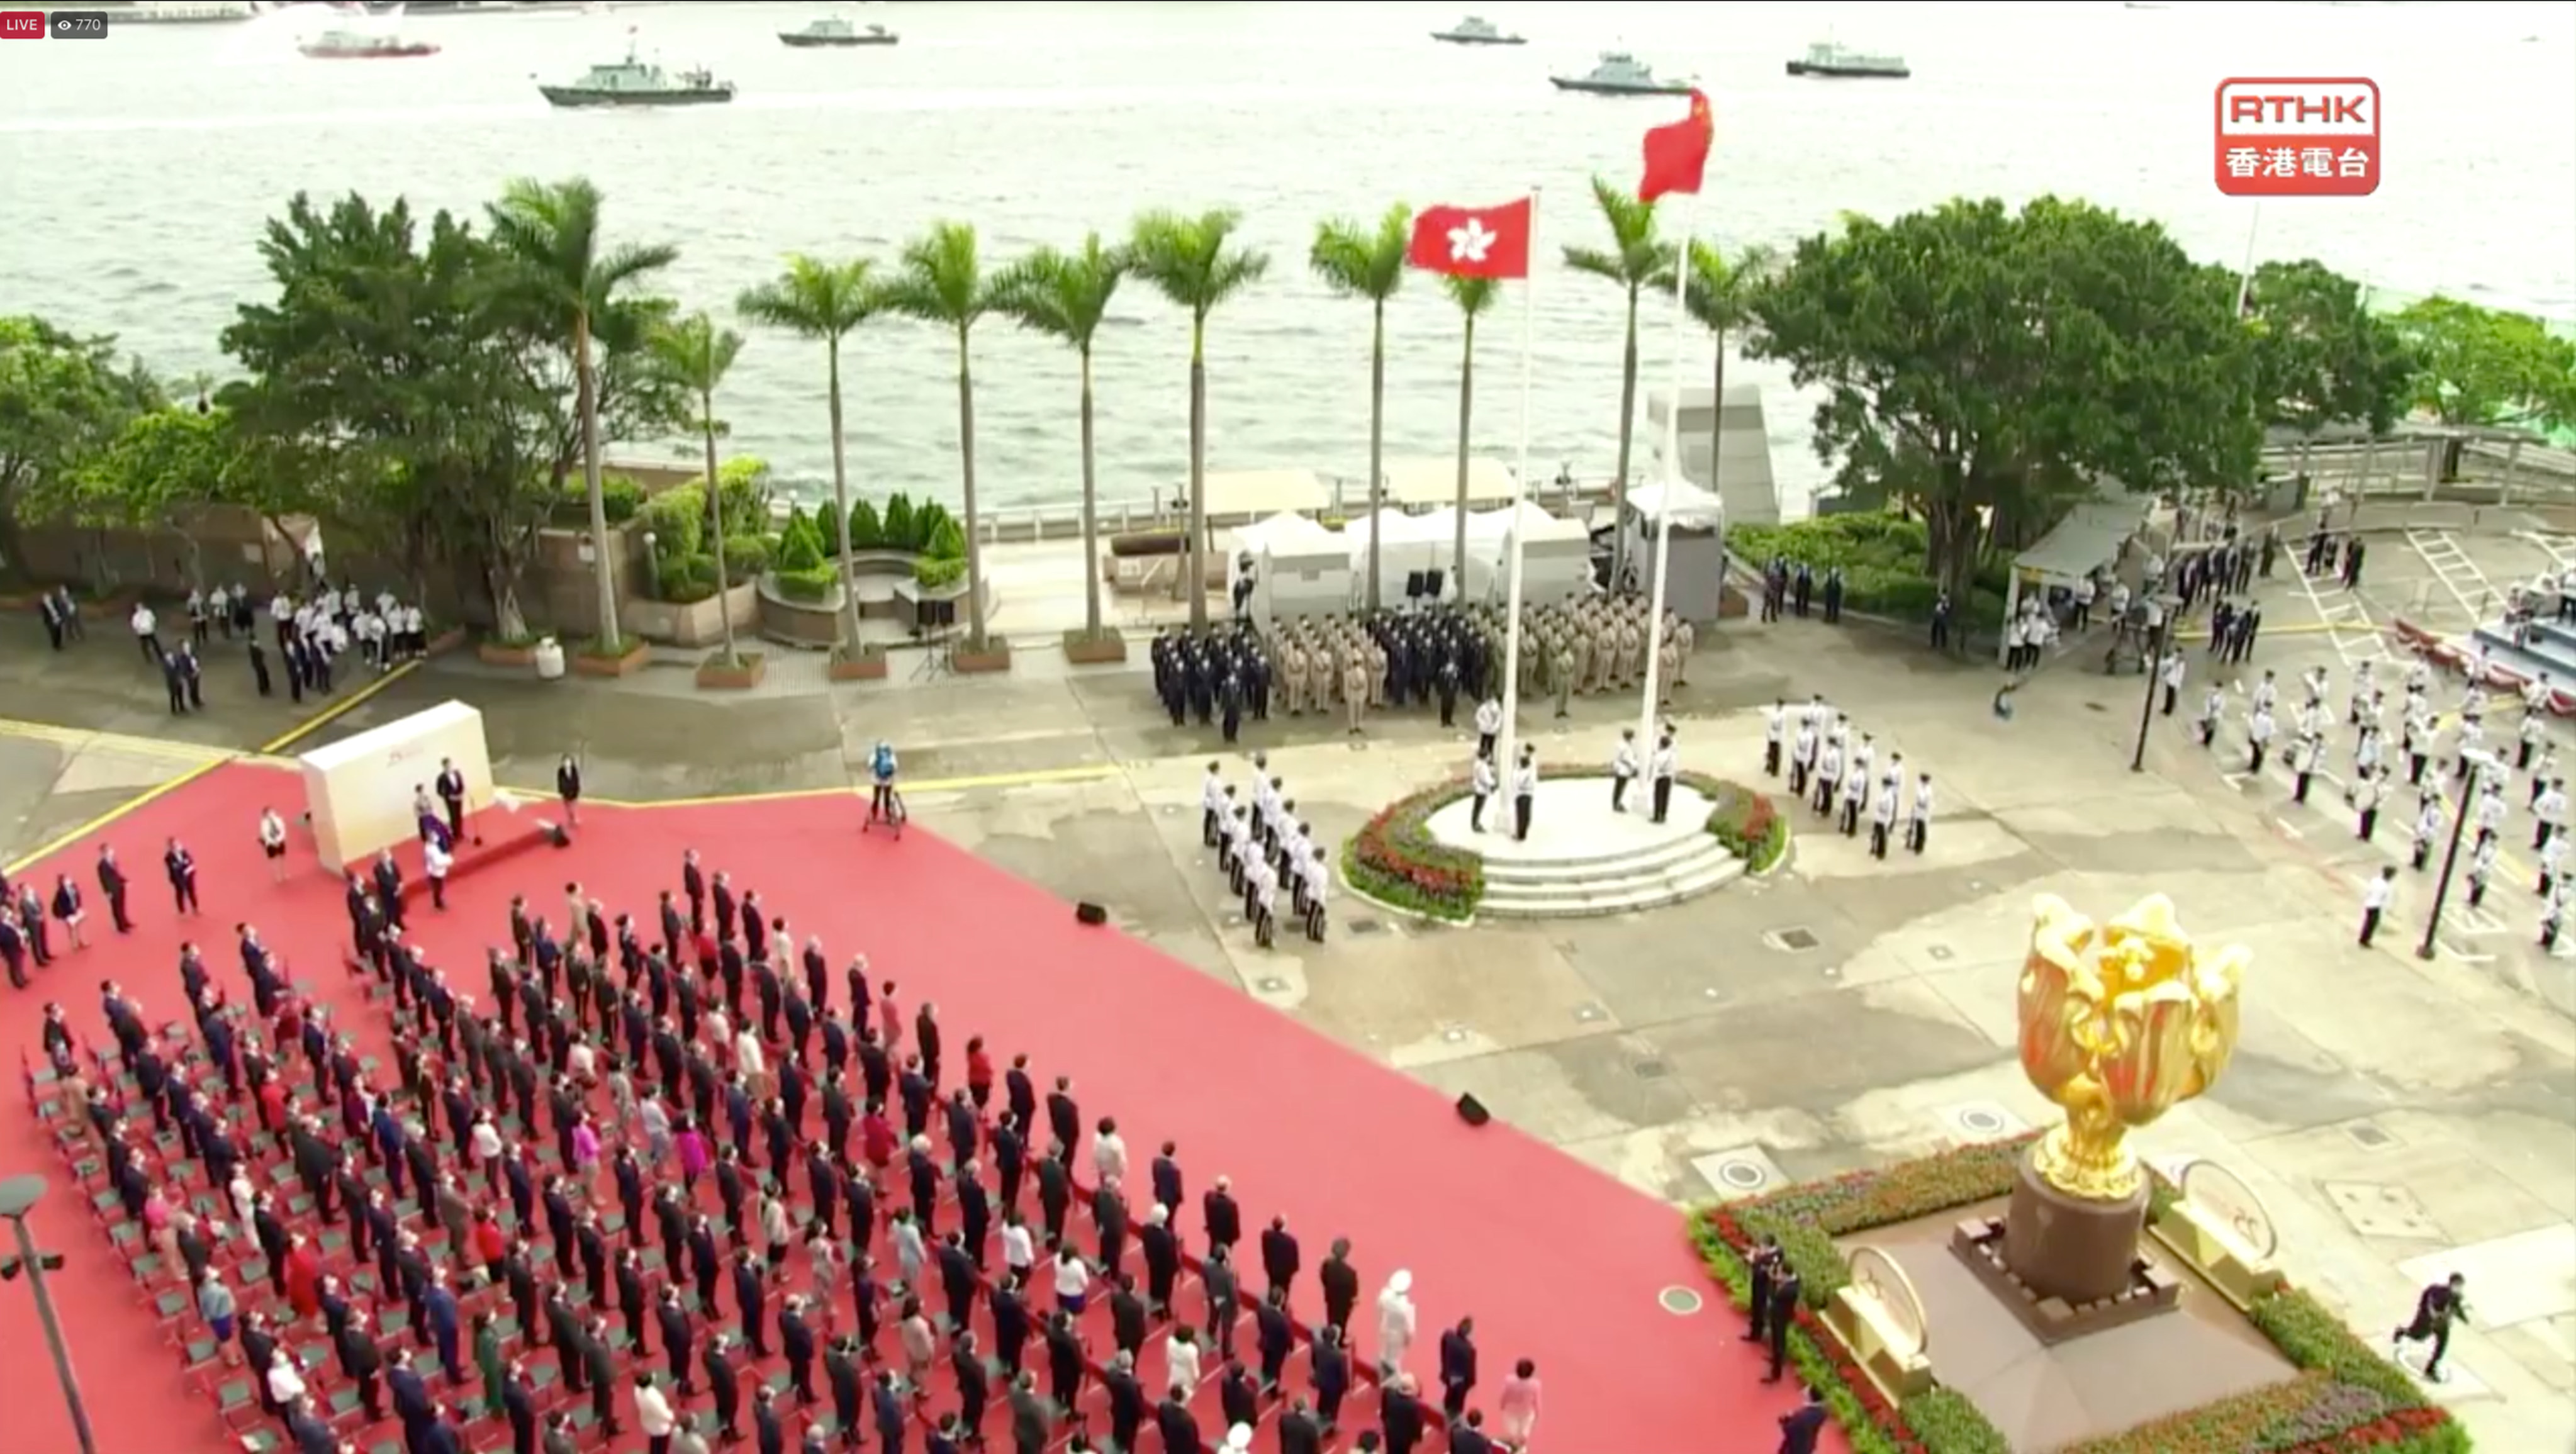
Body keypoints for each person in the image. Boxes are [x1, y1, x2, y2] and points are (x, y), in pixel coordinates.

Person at [2393, 1273, 2468, 1382]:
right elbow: (2430, 1305)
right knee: (2417, 1336)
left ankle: (2431, 1369)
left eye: (2461, 1286)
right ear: (2451, 1284)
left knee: (2441, 1346)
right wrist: (2434, 1317)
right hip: (2428, 1321)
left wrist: (2464, 1318)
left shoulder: (2456, 1297)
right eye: (2458, 1286)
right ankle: (2401, 1332)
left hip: (2442, 1325)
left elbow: (2457, 1308)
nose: (2460, 1289)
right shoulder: (2440, 1293)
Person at [1778, 1384, 1829, 1454]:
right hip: (1808, 1445)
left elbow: (1788, 1430)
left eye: (1807, 1390)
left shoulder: (1801, 1417)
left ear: (1811, 1397)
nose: (1805, 1390)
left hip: (1795, 1448)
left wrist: (1786, 1420)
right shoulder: (1823, 1411)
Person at [867, 741, 902, 830]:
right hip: (888, 779)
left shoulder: (875, 754)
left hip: (877, 779)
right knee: (887, 797)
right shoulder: (891, 755)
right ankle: (888, 815)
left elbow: (870, 766)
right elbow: (895, 766)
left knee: (876, 797)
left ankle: (874, 814)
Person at [2360, 865, 2394, 948]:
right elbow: (2386, 899)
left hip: (2369, 903)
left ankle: (2363, 938)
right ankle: (2366, 939)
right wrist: (2388, 909)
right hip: (2376, 906)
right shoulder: (2387, 886)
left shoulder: (2375, 880)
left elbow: (2368, 890)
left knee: (2368, 922)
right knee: (2372, 924)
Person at [258, 807, 289, 883]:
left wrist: (280, 839)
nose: (272, 813)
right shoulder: (264, 824)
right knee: (274, 859)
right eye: (269, 812)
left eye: (272, 811)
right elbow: (265, 834)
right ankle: (277, 875)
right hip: (271, 843)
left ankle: (283, 874)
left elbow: (282, 829)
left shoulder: (278, 819)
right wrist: (273, 842)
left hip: (280, 840)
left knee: (282, 858)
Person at [556, 754, 582, 827]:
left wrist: (576, 789)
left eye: (568, 762)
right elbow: (561, 781)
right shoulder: (561, 771)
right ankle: (571, 819)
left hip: (574, 791)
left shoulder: (574, 769)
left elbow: (576, 779)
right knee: (568, 808)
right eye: (565, 762)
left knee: (574, 807)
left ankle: (574, 818)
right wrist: (563, 791)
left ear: (571, 762)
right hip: (566, 792)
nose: (567, 764)